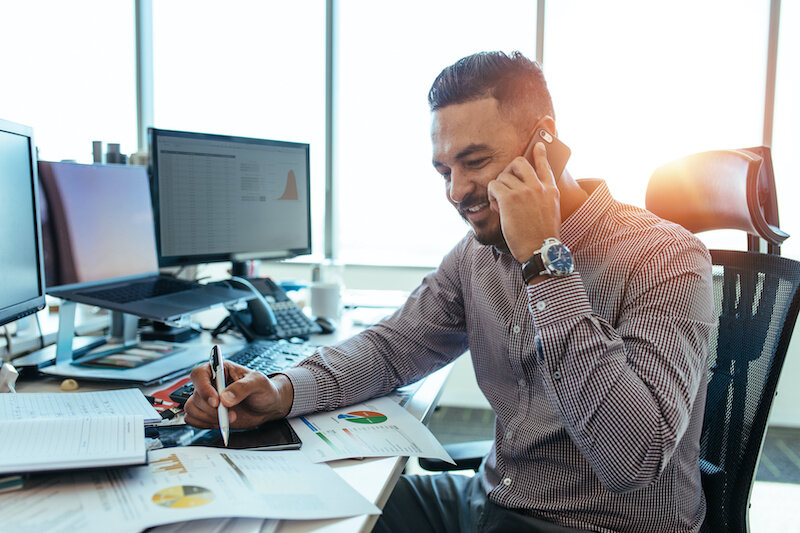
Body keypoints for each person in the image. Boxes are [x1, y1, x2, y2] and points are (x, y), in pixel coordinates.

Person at [185, 51, 715, 533]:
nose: (456, 191)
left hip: (596, 525)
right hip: (492, 497)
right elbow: (393, 348)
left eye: (475, 162)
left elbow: (633, 455)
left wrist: (543, 260)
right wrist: (283, 391)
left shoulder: (664, 256)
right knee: (305, 514)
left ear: (543, 141)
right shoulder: (475, 255)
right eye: (444, 169)